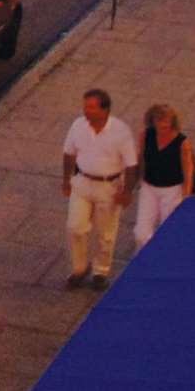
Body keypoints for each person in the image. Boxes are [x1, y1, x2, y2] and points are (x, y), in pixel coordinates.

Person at [61, 87, 141, 287]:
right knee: (75, 227)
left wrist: (127, 191)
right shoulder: (78, 126)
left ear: (104, 110)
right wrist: (66, 180)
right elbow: (69, 153)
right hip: (82, 182)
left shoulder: (121, 131)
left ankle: (101, 271)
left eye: (90, 108)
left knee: (106, 232)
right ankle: (79, 268)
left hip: (109, 186)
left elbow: (131, 164)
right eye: (85, 107)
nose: (85, 111)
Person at [133, 102, 195, 251]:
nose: (163, 124)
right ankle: (144, 260)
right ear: (152, 121)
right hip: (149, 187)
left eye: (167, 120)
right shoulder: (146, 135)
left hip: (172, 190)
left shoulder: (182, 142)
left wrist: (186, 195)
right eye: (159, 120)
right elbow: (141, 159)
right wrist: (137, 180)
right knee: (141, 232)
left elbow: (187, 170)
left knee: (168, 230)